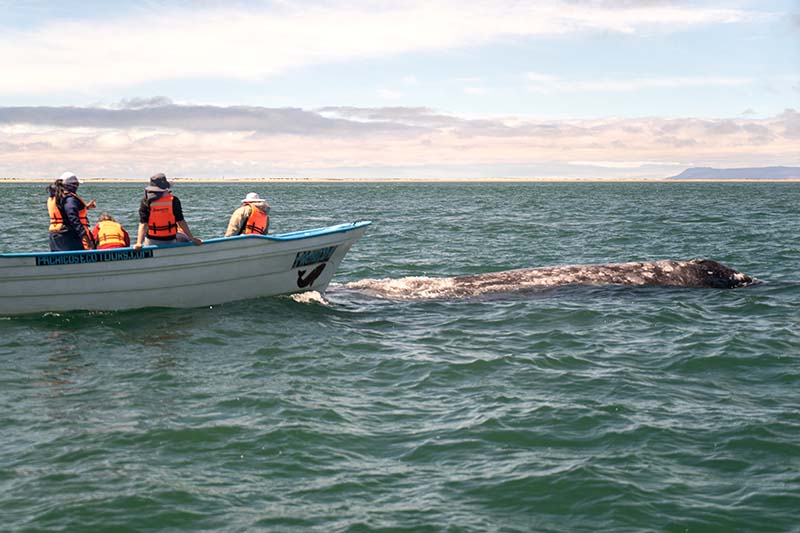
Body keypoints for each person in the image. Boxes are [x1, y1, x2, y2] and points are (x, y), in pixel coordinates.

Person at [133, 173, 202, 250]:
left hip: (151, 240)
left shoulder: (145, 201)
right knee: (183, 237)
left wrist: (139, 243)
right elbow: (181, 221)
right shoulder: (174, 200)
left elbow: (143, 223)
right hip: (170, 240)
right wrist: (191, 238)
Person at [47, 172, 97, 251]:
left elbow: (63, 211)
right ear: (73, 185)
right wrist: (83, 234)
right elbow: (72, 216)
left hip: (55, 235)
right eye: (77, 184)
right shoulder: (69, 198)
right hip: (68, 235)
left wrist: (85, 207)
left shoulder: (56, 196)